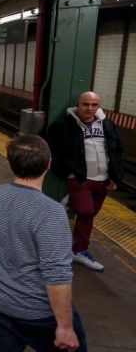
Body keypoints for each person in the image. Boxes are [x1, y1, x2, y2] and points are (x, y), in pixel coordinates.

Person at [0, 135, 87, 351]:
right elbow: (57, 274)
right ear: (49, 164)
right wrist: (65, 326)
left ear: (10, 163)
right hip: (38, 314)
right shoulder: (51, 212)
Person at [46, 91, 123, 271]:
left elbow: (117, 150)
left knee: (89, 215)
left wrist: (115, 176)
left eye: (94, 105)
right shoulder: (64, 125)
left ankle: (78, 249)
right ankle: (78, 248)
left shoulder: (107, 124)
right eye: (86, 104)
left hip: (103, 179)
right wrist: (67, 172)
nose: (90, 108)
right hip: (81, 178)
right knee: (85, 211)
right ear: (78, 105)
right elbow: (51, 151)